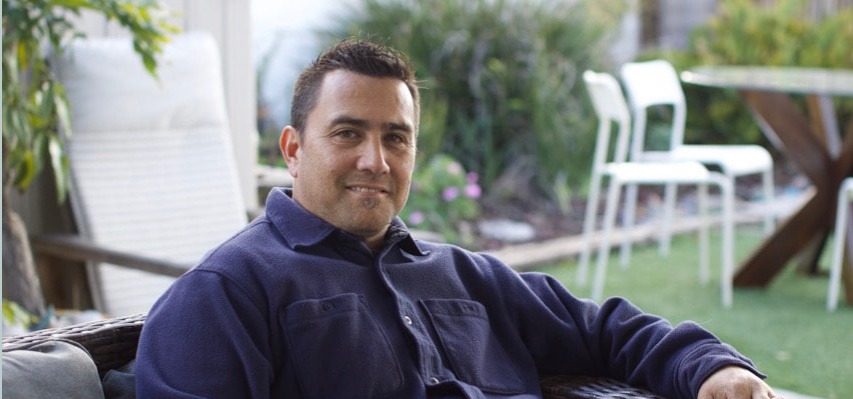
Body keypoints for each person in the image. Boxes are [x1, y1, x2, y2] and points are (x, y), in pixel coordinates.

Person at [136, 38, 781, 399]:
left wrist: (710, 367)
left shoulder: (463, 275)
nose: (376, 160)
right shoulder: (228, 292)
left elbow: (603, 328)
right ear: (293, 148)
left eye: (396, 137)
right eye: (347, 133)